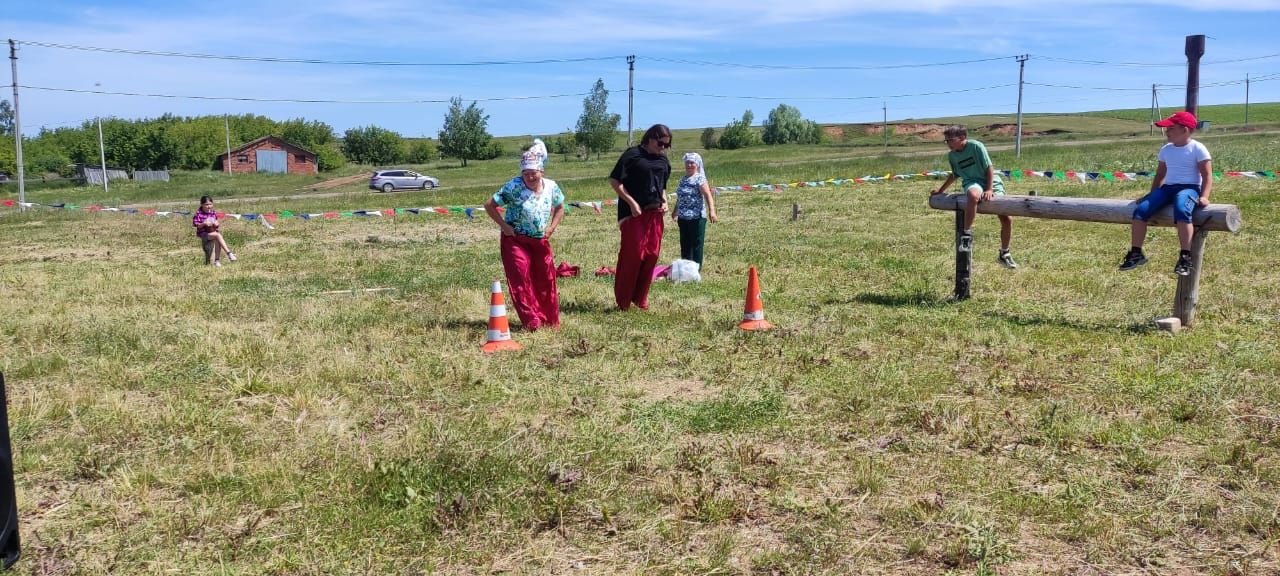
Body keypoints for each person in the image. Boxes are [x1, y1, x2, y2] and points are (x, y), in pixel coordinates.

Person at [1119, 111, 1212, 277]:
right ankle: (1136, 252)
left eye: (1170, 128)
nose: (1166, 132)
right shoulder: (1166, 150)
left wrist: (1204, 196)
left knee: (1182, 208)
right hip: (1168, 187)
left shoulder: (1198, 148)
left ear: (1184, 130)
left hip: (1189, 187)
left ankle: (1185, 257)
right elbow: (1160, 175)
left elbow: (1206, 175)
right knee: (1140, 211)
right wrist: (1151, 194)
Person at [483, 142, 564, 330]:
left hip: (539, 240)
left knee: (546, 279)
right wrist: (504, 226)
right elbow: (489, 205)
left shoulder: (552, 187)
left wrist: (551, 228)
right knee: (520, 278)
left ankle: (550, 319)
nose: (529, 176)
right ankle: (531, 320)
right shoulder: (513, 187)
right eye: (525, 173)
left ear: (541, 171)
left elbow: (560, 207)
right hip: (516, 240)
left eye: (533, 172)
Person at [930, 125, 1017, 269]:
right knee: (973, 194)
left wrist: (989, 189)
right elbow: (955, 174)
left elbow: (989, 168)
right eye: (946, 141)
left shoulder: (976, 146)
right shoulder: (952, 156)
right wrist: (940, 190)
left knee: (1006, 218)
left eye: (950, 140)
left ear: (962, 138)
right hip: (972, 182)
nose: (948, 144)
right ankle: (966, 234)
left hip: (990, 181)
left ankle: (1004, 252)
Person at [609, 124, 673, 310]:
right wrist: (631, 203)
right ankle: (623, 301)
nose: (662, 148)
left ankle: (640, 298)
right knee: (634, 255)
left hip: (655, 214)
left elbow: (662, 185)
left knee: (651, 255)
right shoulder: (632, 155)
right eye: (660, 143)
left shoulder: (663, 161)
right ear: (650, 138)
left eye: (666, 145)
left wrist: (665, 201)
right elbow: (615, 181)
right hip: (634, 214)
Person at [672, 152, 717, 269]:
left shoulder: (699, 179)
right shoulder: (683, 179)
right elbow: (680, 197)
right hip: (683, 217)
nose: (689, 165)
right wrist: (675, 211)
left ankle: (696, 269)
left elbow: (707, 195)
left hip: (697, 217)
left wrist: (712, 211)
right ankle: (686, 268)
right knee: (685, 243)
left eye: (692, 163)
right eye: (687, 162)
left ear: (697, 165)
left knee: (696, 244)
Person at [193, 195, 237, 267]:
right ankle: (229, 253)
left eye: (210, 204)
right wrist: (204, 223)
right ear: (202, 204)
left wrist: (216, 224)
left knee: (218, 239)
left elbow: (216, 224)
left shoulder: (213, 212)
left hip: (212, 232)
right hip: (203, 234)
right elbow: (196, 225)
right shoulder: (198, 214)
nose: (208, 206)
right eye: (206, 204)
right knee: (217, 235)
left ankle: (217, 261)